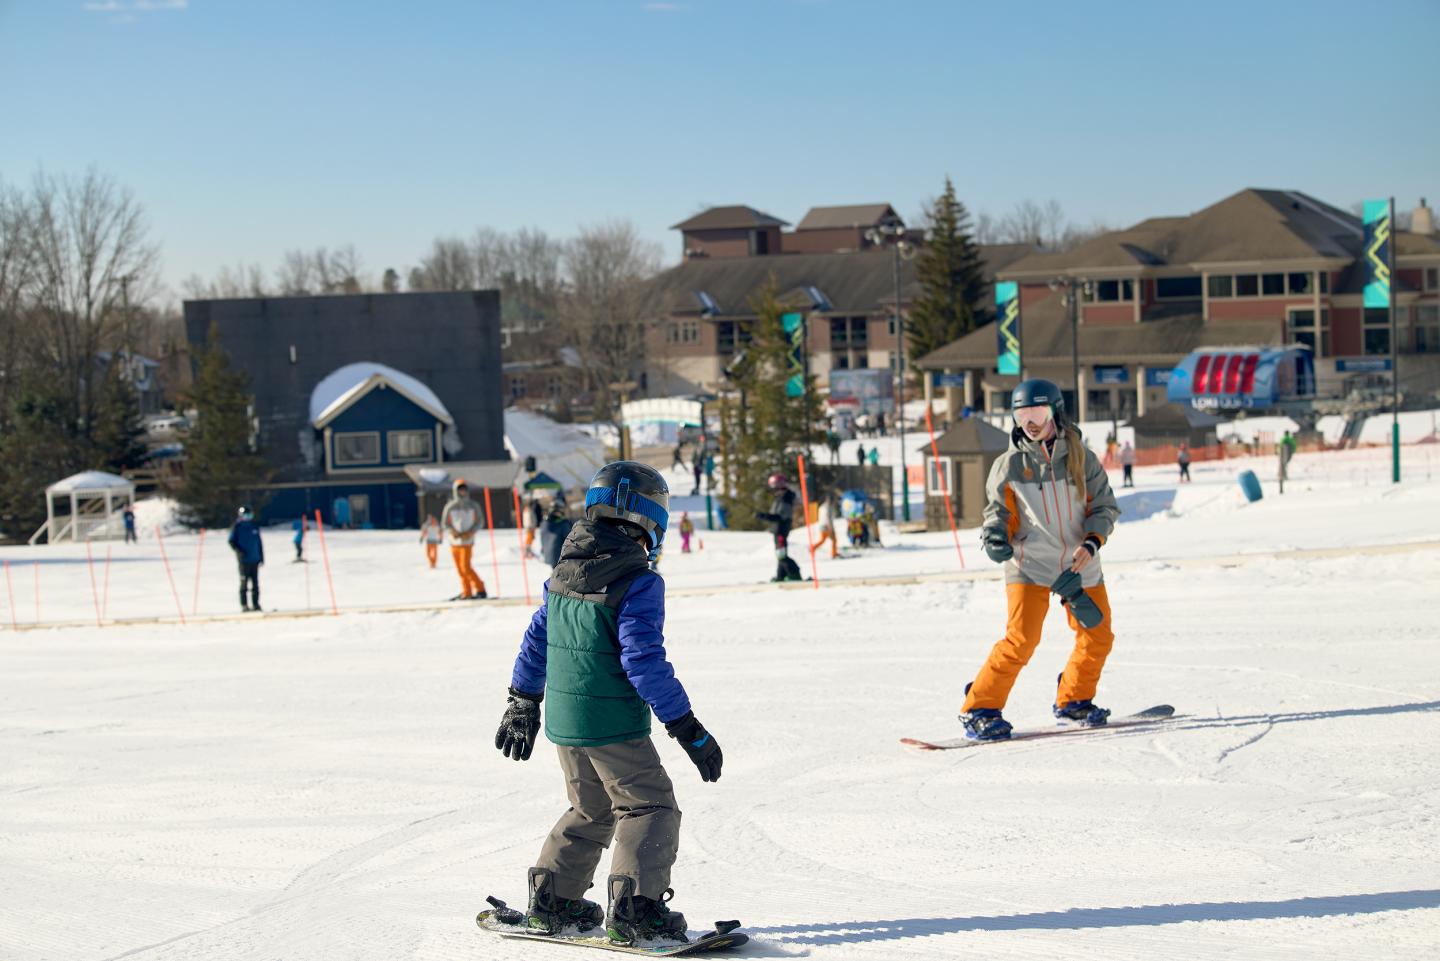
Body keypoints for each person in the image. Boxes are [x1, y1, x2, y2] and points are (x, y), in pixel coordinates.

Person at [494, 461, 722, 947]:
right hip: (612, 722)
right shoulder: (637, 580)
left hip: (565, 719)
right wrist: (687, 727)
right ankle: (636, 910)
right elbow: (643, 660)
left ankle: (554, 901)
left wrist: (523, 701)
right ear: (650, 520)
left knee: (591, 806)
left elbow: (537, 640)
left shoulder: (564, 572)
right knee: (649, 807)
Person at [960, 378, 1119, 741]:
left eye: (1037, 413)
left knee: (1098, 636)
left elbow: (1105, 506)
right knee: (1022, 639)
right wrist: (996, 535)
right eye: (1021, 415)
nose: (1029, 423)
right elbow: (996, 513)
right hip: (1028, 563)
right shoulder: (1009, 465)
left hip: (1079, 562)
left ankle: (1075, 701)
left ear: (1056, 413)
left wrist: (1092, 542)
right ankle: (979, 708)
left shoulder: (1083, 459)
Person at [442, 479, 487, 599]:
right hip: (454, 541)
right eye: (460, 489)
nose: (462, 491)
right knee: (460, 569)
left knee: (465, 567)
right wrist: (452, 531)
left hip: (467, 541)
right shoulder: (450, 506)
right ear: (455, 491)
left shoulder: (473, 505)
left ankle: (480, 588)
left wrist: (471, 532)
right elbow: (445, 524)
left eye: (464, 489)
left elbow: (480, 521)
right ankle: (467, 591)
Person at [756, 473, 801, 582]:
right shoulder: (782, 498)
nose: (774, 491)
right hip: (778, 530)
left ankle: (794, 573)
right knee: (780, 554)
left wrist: (764, 516)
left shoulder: (785, 498)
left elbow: (781, 517)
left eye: (774, 487)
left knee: (781, 555)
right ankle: (781, 575)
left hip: (781, 530)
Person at [227, 506, 264, 613]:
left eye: (249, 515)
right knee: (244, 583)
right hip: (244, 560)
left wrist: (261, 557)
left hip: (254, 559)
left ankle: (256, 604)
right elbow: (231, 541)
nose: (248, 517)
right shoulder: (237, 527)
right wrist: (239, 552)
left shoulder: (254, 526)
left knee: (255, 584)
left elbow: (259, 543)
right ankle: (244, 605)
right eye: (246, 515)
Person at [539, 501, 574, 569]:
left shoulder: (544, 523)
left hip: (549, 555)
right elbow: (569, 538)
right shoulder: (563, 524)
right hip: (560, 555)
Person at [810, 490, 839, 560]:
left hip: (822, 525)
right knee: (834, 540)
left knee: (823, 540)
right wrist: (830, 528)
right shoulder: (828, 507)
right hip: (827, 526)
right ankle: (834, 554)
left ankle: (813, 548)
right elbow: (828, 518)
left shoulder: (822, 506)